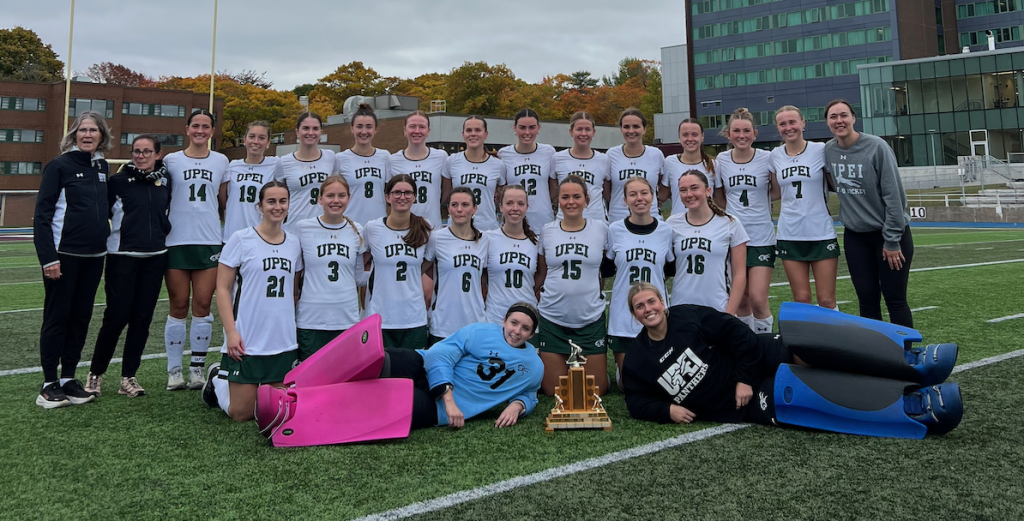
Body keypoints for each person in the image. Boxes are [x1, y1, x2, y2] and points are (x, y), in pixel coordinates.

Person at [621, 283, 962, 438]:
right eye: (640, 306)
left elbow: (736, 334)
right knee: (797, 394)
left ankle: (912, 362)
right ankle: (914, 405)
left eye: (652, 301)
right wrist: (666, 411)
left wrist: (743, 376)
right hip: (738, 402)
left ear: (662, 303)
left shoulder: (686, 317)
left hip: (751, 360)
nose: (648, 309)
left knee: (808, 344)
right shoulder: (637, 359)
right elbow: (636, 400)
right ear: (635, 316)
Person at [254, 302, 545, 439]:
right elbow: (440, 354)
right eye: (514, 323)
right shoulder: (481, 331)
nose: (517, 331)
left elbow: (531, 393)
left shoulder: (533, 365)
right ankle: (292, 389)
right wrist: (449, 398)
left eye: (525, 328)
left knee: (367, 400)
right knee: (371, 357)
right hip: (426, 368)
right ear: (504, 320)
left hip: (436, 409)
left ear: (532, 335)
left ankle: (291, 412)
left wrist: (519, 405)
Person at [33, 111, 113, 408]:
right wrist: (48, 258)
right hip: (63, 257)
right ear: (74, 134)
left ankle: (68, 378)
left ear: (102, 136)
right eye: (83, 130)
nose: (88, 134)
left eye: (94, 130)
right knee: (57, 318)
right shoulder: (58, 165)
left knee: (81, 318)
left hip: (93, 257)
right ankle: (48, 384)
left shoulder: (102, 166)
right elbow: (42, 215)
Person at [207, 180, 302, 422]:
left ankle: (252, 386)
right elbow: (223, 288)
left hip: (281, 338)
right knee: (242, 413)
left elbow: (293, 291)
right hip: (248, 335)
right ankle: (217, 378)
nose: (277, 207)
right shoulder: (241, 239)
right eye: (271, 201)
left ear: (289, 205)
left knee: (278, 408)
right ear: (259, 206)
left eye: (282, 201)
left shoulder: (294, 243)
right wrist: (231, 332)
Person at [84, 134, 171, 398]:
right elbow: (101, 214)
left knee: (142, 320)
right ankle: (96, 374)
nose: (140, 156)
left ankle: (128, 378)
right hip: (122, 257)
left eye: (147, 151)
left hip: (155, 257)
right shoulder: (118, 181)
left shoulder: (167, 180)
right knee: (116, 317)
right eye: (136, 151)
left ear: (158, 154)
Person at [824, 100, 915, 328]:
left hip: (888, 235)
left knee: (895, 299)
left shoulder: (876, 147)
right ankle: (876, 356)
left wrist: (892, 240)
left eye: (843, 115)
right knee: (866, 301)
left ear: (854, 118)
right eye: (833, 117)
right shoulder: (829, 150)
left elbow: (894, 196)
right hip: (856, 236)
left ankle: (906, 355)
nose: (839, 121)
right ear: (827, 122)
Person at [163, 109, 229, 391]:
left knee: (202, 306)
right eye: (195, 126)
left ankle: (197, 370)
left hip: (209, 240)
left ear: (213, 131)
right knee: (178, 305)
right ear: (187, 129)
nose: (200, 131)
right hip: (176, 240)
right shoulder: (171, 160)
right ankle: (174, 370)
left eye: (206, 126)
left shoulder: (221, 160)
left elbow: (225, 202)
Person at [537, 175, 609, 396]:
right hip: (553, 317)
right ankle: (567, 363)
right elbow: (542, 271)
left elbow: (604, 270)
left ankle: (584, 364)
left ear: (586, 200)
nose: (571, 202)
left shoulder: (601, 229)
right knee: (554, 390)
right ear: (558, 200)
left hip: (589, 317)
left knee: (595, 390)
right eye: (565, 197)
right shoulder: (547, 231)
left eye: (576, 196)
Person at [604, 177, 674, 389]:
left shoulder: (666, 230)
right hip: (624, 312)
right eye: (632, 194)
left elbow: (670, 269)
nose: (639, 198)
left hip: (655, 309)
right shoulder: (614, 229)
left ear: (653, 197)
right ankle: (621, 369)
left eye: (644, 193)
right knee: (630, 386)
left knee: (662, 384)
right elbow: (607, 268)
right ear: (625, 200)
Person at [713, 108, 779, 333]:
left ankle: (764, 348)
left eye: (746, 131)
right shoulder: (722, 159)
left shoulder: (767, 157)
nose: (742, 135)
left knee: (759, 300)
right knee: (741, 300)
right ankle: (745, 349)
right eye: (736, 131)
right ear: (728, 134)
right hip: (734, 238)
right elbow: (719, 195)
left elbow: (777, 191)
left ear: (755, 134)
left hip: (761, 235)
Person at [771, 106, 839, 310]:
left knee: (826, 300)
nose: (788, 127)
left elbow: (836, 182)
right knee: (801, 299)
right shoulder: (774, 155)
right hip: (790, 233)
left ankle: (832, 341)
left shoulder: (821, 150)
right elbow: (772, 191)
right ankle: (809, 343)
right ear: (777, 128)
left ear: (803, 123)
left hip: (820, 231)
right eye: (783, 124)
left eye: (792, 122)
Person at [294, 176, 366, 359]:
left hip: (346, 317)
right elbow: (295, 274)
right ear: (320, 199)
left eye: (341, 195)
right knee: (310, 381)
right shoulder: (303, 228)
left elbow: (359, 277)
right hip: (311, 318)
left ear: (349, 198)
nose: (336, 201)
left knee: (344, 381)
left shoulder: (357, 230)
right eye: (330, 195)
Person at [363, 174, 433, 349]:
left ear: (415, 197)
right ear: (387, 197)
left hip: (413, 317)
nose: (402, 197)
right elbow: (362, 262)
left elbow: (426, 263)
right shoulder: (372, 228)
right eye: (397, 192)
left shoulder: (425, 227)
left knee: (412, 374)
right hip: (381, 317)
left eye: (408, 192)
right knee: (382, 373)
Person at [668, 170, 748, 315]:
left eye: (694, 188)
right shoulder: (672, 224)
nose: (689, 194)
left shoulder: (730, 223)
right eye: (683, 190)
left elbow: (740, 274)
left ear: (708, 191)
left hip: (718, 307)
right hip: (681, 307)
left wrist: (729, 313)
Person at [425, 187, 488, 343]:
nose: (459, 210)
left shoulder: (485, 240)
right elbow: (420, 270)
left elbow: (485, 279)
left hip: (475, 321)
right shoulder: (436, 238)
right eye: (454, 205)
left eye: (465, 205)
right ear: (448, 209)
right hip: (443, 323)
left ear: (474, 209)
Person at [484, 185, 540, 325]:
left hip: (527, 318)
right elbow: (482, 277)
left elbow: (541, 276)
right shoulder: (488, 239)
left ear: (527, 207)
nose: (515, 208)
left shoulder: (536, 243)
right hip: (495, 318)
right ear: (501, 207)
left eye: (520, 204)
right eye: (509, 203)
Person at [220, 121, 280, 242]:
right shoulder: (232, 166)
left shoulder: (276, 164)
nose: (256, 142)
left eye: (262, 138)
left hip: (261, 235)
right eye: (251, 136)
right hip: (233, 234)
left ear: (268, 143)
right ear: (244, 140)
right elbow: (224, 197)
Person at [442, 116, 504, 231]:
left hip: (487, 228)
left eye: (478, 130)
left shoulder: (498, 165)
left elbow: (501, 195)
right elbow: (445, 196)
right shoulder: (451, 161)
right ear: (463, 134)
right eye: (469, 130)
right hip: (457, 227)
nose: (473, 134)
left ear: (486, 134)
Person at [498, 108, 557, 228]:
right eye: (522, 127)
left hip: (543, 218)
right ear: (514, 128)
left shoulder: (548, 151)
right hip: (515, 218)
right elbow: (501, 189)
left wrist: (542, 201)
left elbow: (553, 186)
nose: (527, 132)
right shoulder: (504, 154)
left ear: (538, 128)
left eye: (532, 127)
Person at [276, 113, 334, 234]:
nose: (311, 133)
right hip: (294, 227)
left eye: (315, 128)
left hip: (324, 227)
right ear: (297, 132)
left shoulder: (331, 157)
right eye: (305, 128)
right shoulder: (284, 162)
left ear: (321, 132)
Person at [389, 111, 447, 228]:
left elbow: (446, 189)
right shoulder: (392, 160)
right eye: (412, 127)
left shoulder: (441, 157)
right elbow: (388, 195)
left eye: (422, 127)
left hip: (433, 226)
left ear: (428, 131)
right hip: (403, 226)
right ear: (405, 130)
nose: (417, 131)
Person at [606, 108, 666, 221]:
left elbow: (664, 184)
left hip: (650, 218)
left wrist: (656, 200)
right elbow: (606, 190)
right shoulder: (611, 154)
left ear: (644, 129)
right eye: (626, 127)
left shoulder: (656, 154)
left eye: (636, 126)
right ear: (621, 129)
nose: (631, 131)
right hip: (618, 219)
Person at [337, 103, 391, 227]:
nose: (364, 131)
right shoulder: (340, 158)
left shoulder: (385, 156)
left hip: (379, 225)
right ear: (352, 129)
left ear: (375, 130)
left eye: (369, 127)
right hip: (350, 225)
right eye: (359, 126)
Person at [553, 112, 609, 221]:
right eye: (579, 129)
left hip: (596, 221)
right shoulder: (557, 158)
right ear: (571, 132)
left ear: (594, 132)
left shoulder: (604, 159)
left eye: (587, 129)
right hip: (565, 220)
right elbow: (553, 191)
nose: (583, 133)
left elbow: (607, 193)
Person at [663, 118, 716, 217]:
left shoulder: (713, 165)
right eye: (685, 135)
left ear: (702, 136)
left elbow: (719, 198)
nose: (690, 139)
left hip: (707, 225)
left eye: (695, 134)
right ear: (679, 137)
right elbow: (662, 195)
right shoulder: (669, 162)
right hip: (678, 226)